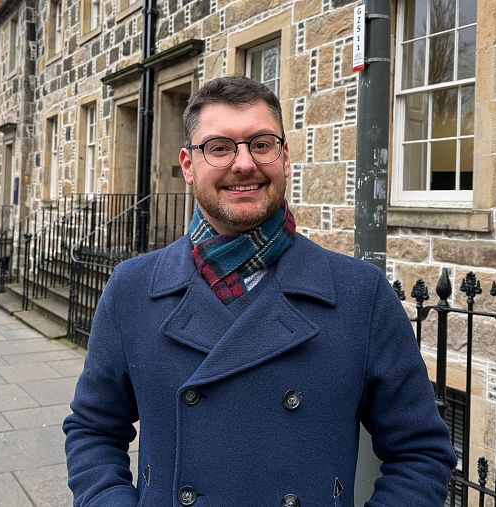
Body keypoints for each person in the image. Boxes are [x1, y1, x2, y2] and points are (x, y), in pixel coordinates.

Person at [63, 76, 456, 506]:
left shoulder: (360, 294)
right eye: (219, 147)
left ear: (285, 158)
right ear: (188, 166)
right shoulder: (132, 288)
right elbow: (94, 430)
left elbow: (421, 453)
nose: (244, 163)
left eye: (262, 143)